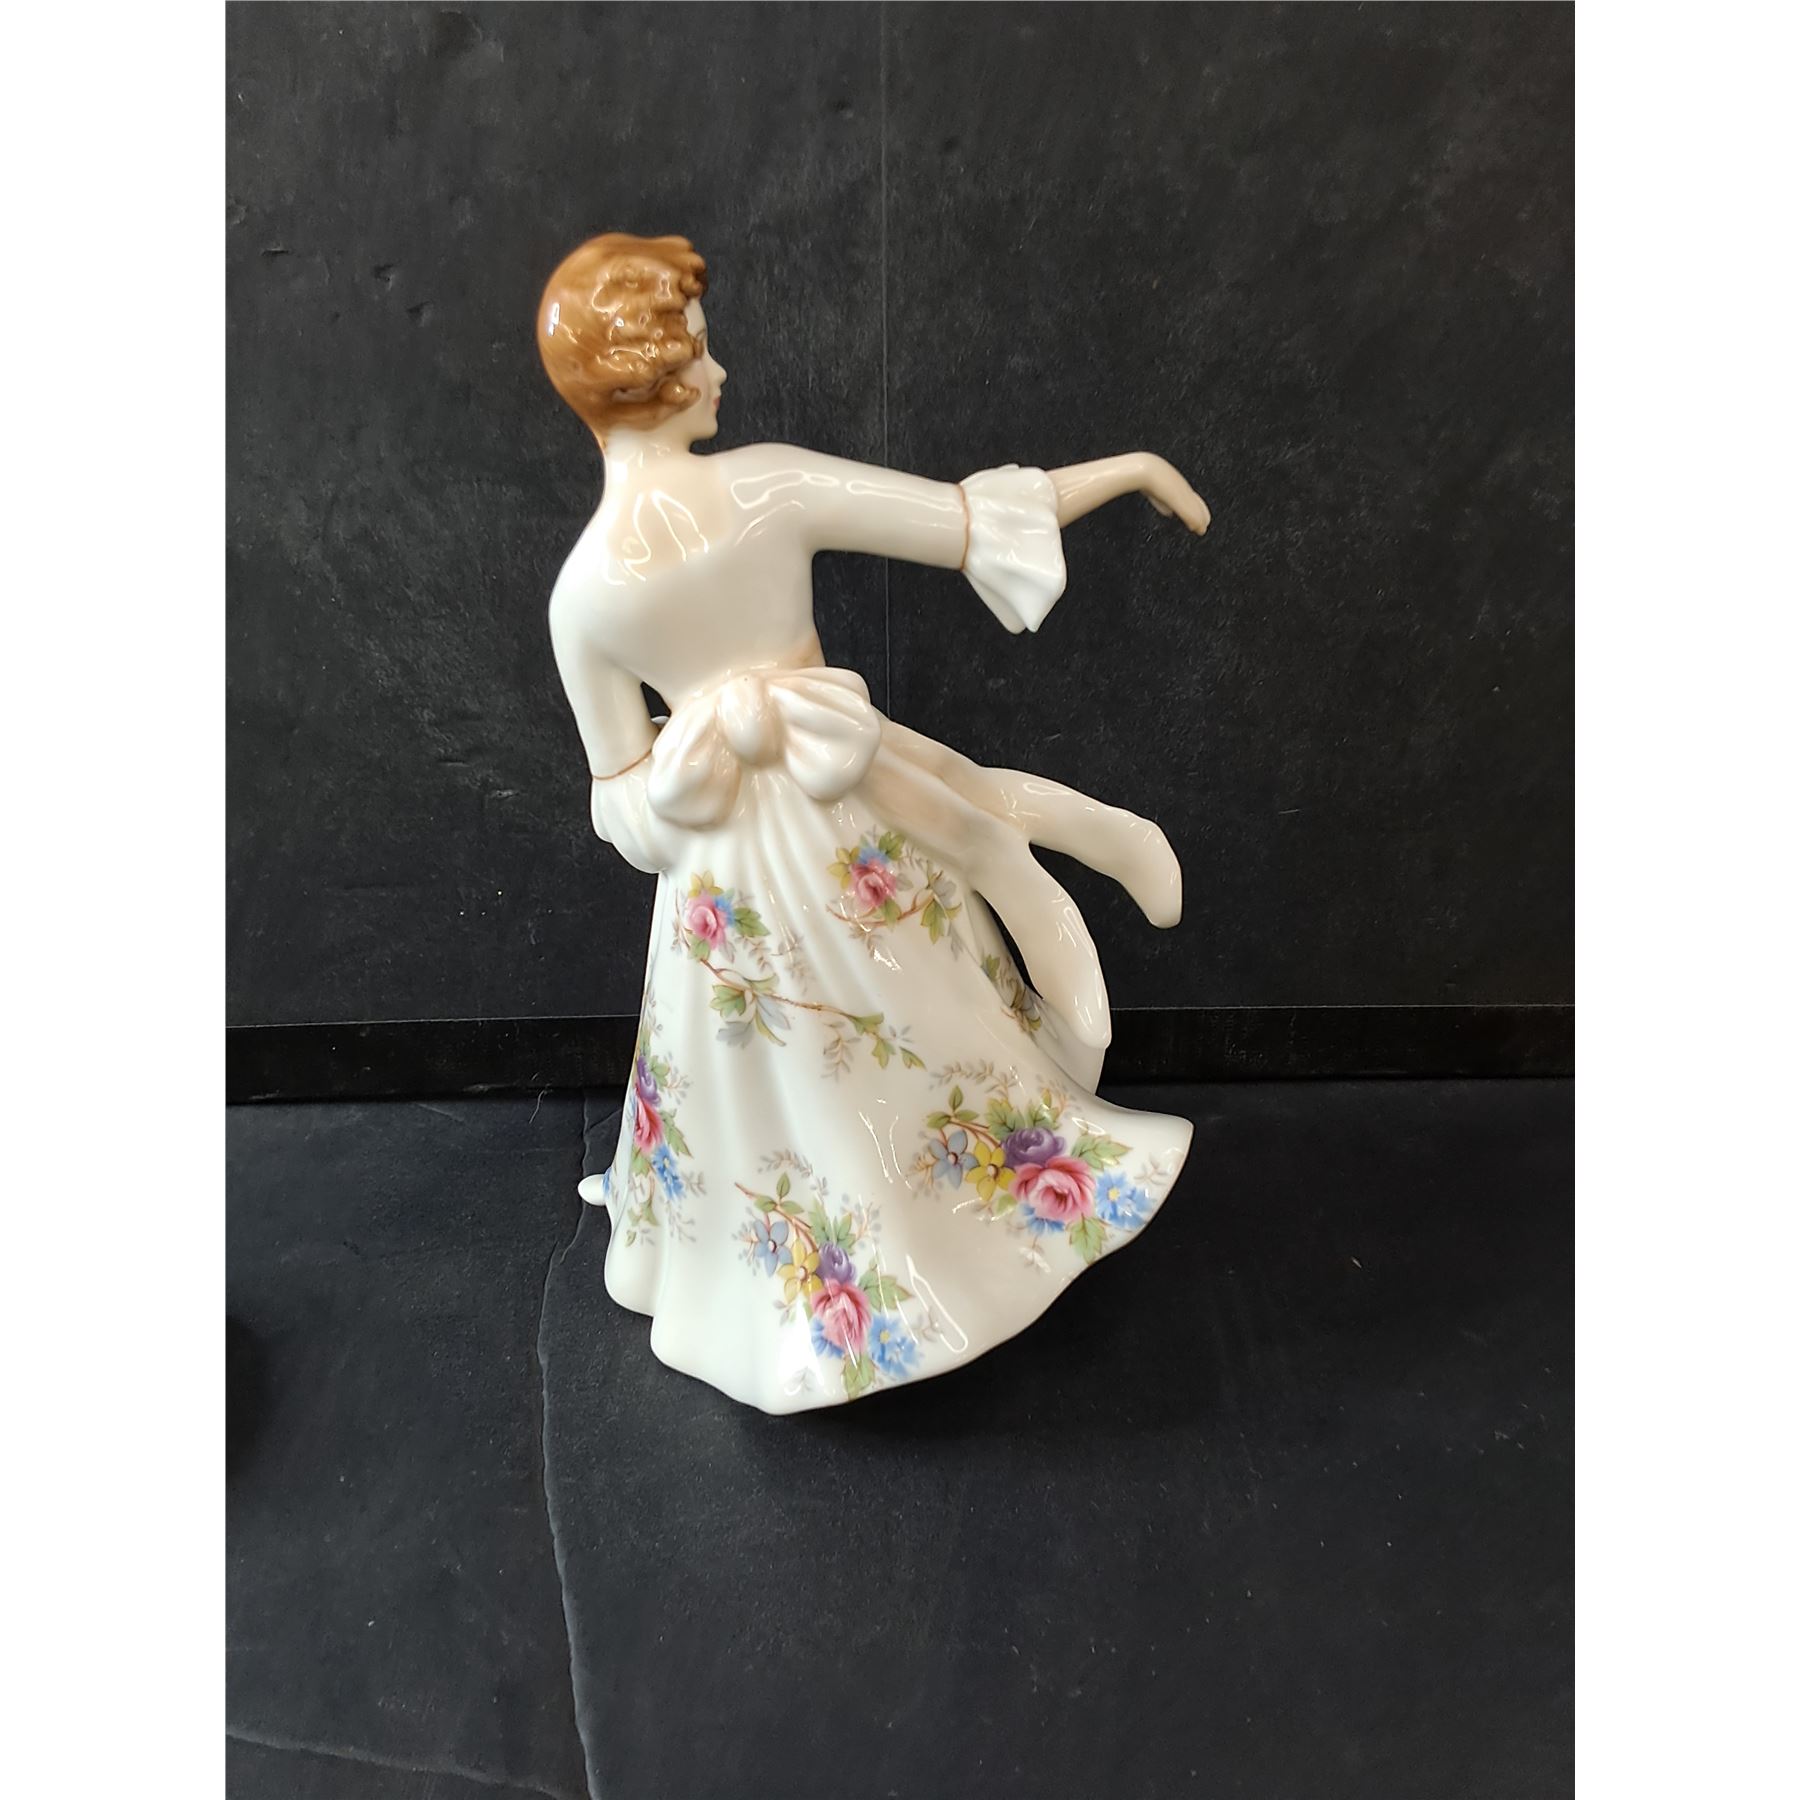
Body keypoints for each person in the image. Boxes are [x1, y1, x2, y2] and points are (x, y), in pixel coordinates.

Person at [539, 232, 1211, 1411]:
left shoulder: (582, 598)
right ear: (653, 377)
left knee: (791, 1055)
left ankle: (851, 1271)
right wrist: (1130, 468)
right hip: (842, 815)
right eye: (699, 352)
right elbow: (971, 520)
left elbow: (621, 808)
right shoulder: (764, 485)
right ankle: (925, 1253)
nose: (720, 372)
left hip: (726, 879)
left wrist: (686, 778)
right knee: (908, 1013)